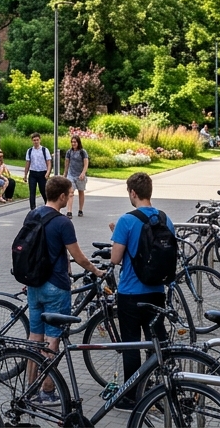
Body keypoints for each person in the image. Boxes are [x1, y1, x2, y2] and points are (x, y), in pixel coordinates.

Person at [26, 177, 108, 405]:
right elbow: (78, 255)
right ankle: (47, 391)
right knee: (53, 340)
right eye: (70, 193)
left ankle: (29, 389)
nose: (71, 196)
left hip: (34, 285)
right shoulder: (63, 223)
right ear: (61, 196)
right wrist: (95, 270)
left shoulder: (33, 214)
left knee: (35, 338)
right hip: (55, 286)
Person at [108, 172, 175, 406]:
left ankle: (131, 396)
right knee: (156, 342)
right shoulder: (166, 219)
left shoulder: (126, 221)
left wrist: (116, 235)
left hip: (130, 293)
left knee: (131, 345)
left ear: (133, 193)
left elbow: (115, 259)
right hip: (157, 291)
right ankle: (158, 388)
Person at [62, 135, 89, 218]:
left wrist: (83, 173)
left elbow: (86, 163)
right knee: (70, 192)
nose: (73, 144)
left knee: (81, 191)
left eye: (75, 142)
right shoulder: (69, 152)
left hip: (80, 175)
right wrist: (65, 174)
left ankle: (80, 210)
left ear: (78, 142)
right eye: (72, 142)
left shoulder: (82, 152)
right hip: (71, 175)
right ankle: (69, 211)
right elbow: (67, 164)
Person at [24, 133, 53, 209]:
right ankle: (32, 209)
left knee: (43, 191)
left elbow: (49, 162)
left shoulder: (44, 150)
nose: (36, 142)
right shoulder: (30, 151)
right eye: (34, 140)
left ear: (40, 140)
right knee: (32, 192)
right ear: (32, 141)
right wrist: (25, 175)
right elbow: (27, 163)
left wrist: (48, 172)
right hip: (33, 173)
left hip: (42, 173)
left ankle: (48, 207)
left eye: (37, 140)